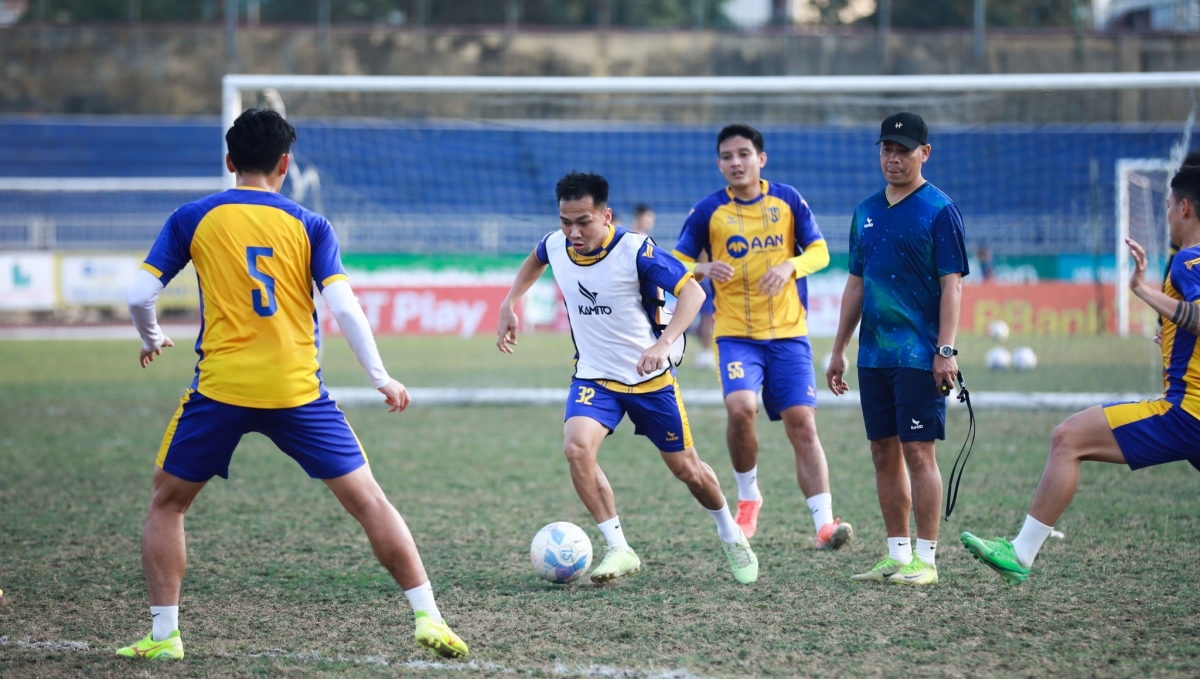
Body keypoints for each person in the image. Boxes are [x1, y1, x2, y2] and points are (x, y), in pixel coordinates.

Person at [117, 109, 468, 660]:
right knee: (370, 501)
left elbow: (139, 294)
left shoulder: (193, 217)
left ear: (230, 162)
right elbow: (345, 309)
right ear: (286, 163)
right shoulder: (311, 223)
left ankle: (165, 638)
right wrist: (380, 376)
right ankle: (428, 616)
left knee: (168, 503)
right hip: (298, 391)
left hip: (221, 390)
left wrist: (151, 336)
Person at [497, 171, 759, 585]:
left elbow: (694, 293)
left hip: (649, 380)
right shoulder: (556, 244)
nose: (573, 232)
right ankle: (619, 547)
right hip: (595, 376)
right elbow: (537, 258)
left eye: (584, 221)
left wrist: (664, 344)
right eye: (566, 222)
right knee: (576, 448)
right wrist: (510, 302)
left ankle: (730, 533)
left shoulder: (636, 250)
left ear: (607, 215)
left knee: (688, 470)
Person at [961, 165, 1200, 585]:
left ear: (1184, 207)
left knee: (1067, 438)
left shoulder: (1188, 259)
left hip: (1187, 412)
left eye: (1166, 207)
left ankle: (1021, 553)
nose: (1165, 216)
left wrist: (1143, 292)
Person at [672, 124, 851, 549]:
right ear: (719, 163)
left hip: (788, 333)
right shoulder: (707, 211)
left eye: (744, 154)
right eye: (727, 156)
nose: (736, 162)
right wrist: (701, 269)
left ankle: (825, 524)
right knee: (740, 409)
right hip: (735, 334)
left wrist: (790, 266)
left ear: (760, 159)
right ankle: (749, 496)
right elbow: (672, 261)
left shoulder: (788, 200)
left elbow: (821, 252)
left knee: (803, 423)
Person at [826, 112, 969, 586]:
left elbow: (953, 287)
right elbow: (854, 285)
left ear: (924, 153)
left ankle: (926, 560)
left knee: (919, 453)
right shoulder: (865, 209)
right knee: (882, 452)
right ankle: (896, 552)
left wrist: (945, 350)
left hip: (919, 356)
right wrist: (839, 348)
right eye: (886, 148)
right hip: (873, 356)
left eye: (903, 150)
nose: (893, 157)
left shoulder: (939, 209)